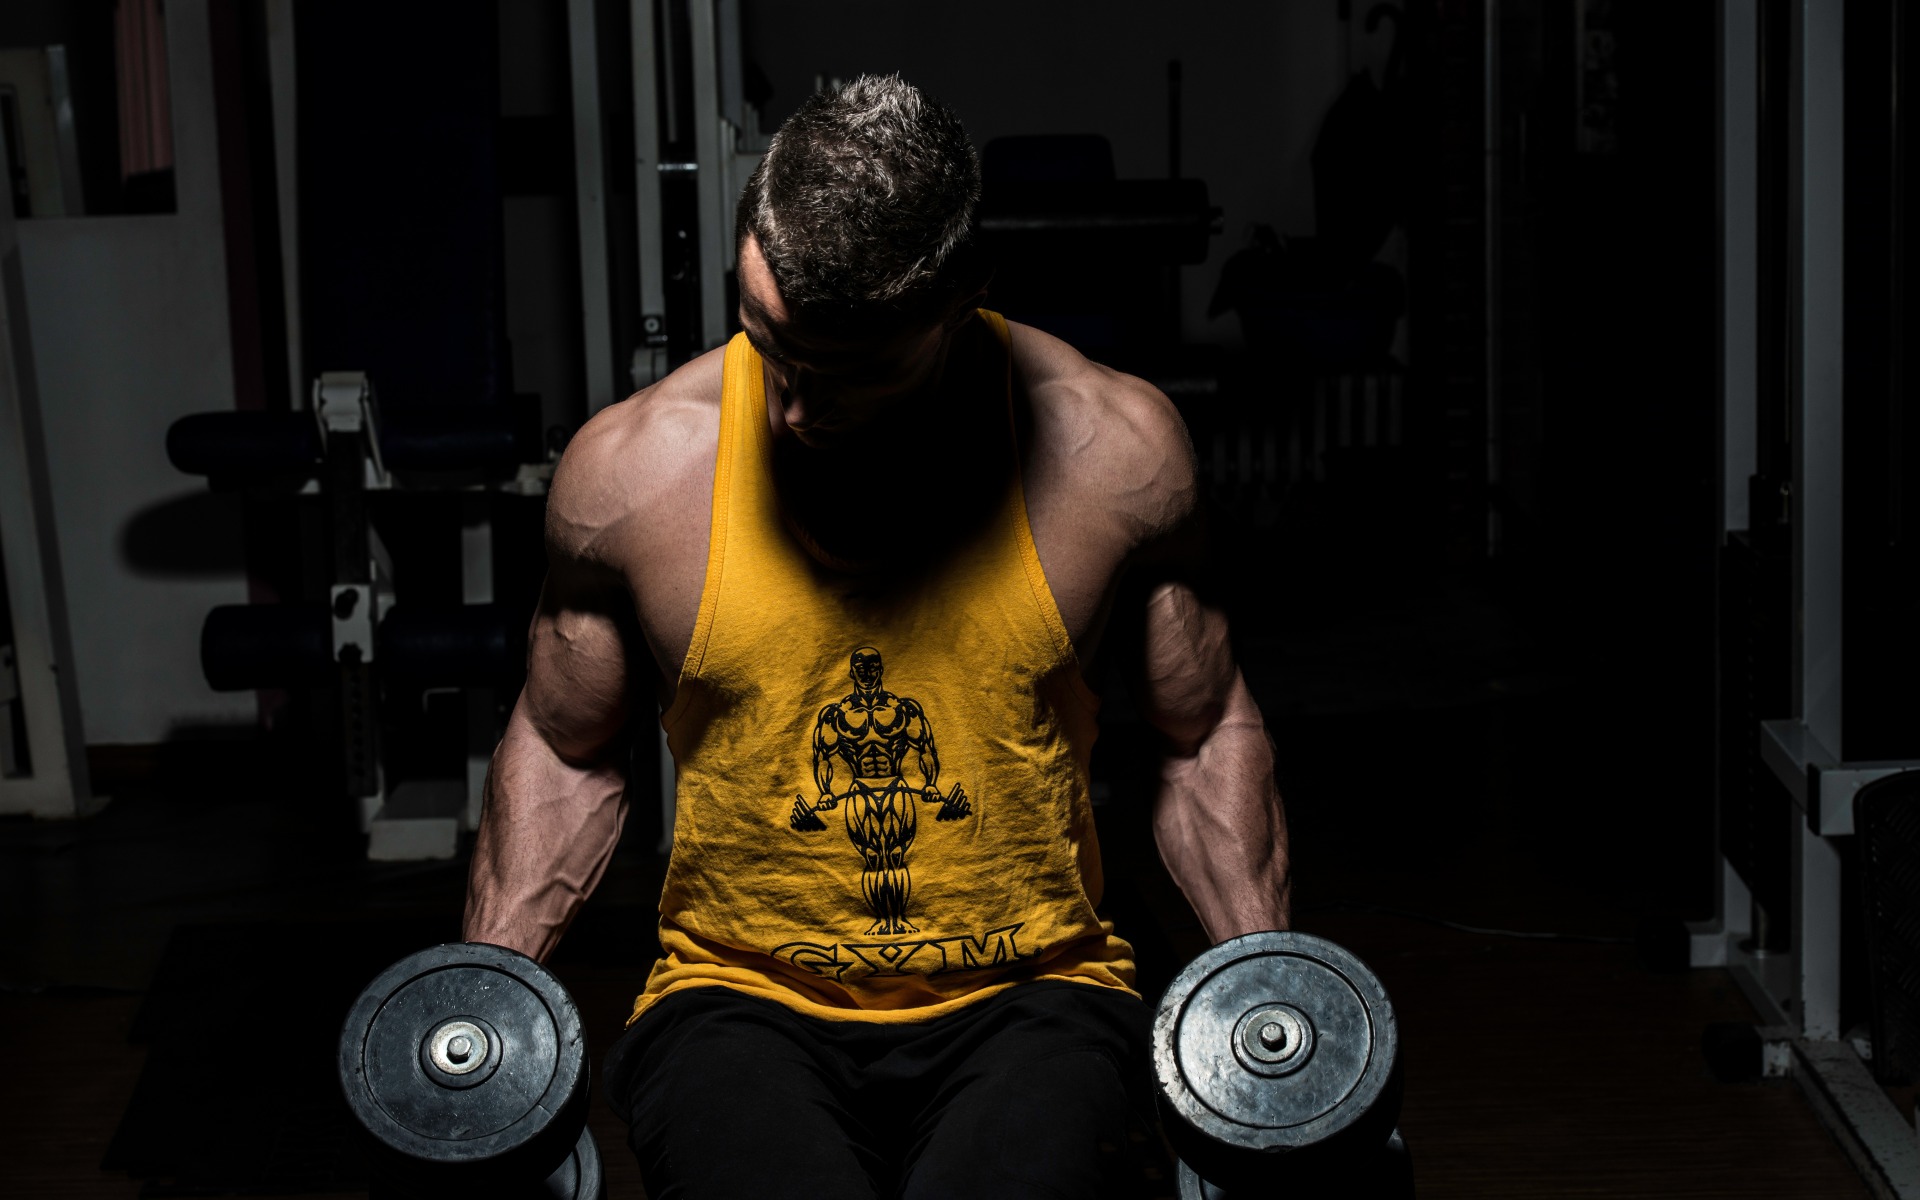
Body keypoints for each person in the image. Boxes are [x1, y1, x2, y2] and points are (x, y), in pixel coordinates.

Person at [462, 74, 1289, 1198]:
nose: (792, 408)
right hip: (735, 997)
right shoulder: (633, 476)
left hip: (1036, 992)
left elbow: (1201, 733)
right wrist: (485, 1009)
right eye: (768, 343)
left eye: (850, 371)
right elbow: (565, 749)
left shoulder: (1114, 456)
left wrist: (1265, 986)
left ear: (962, 301)